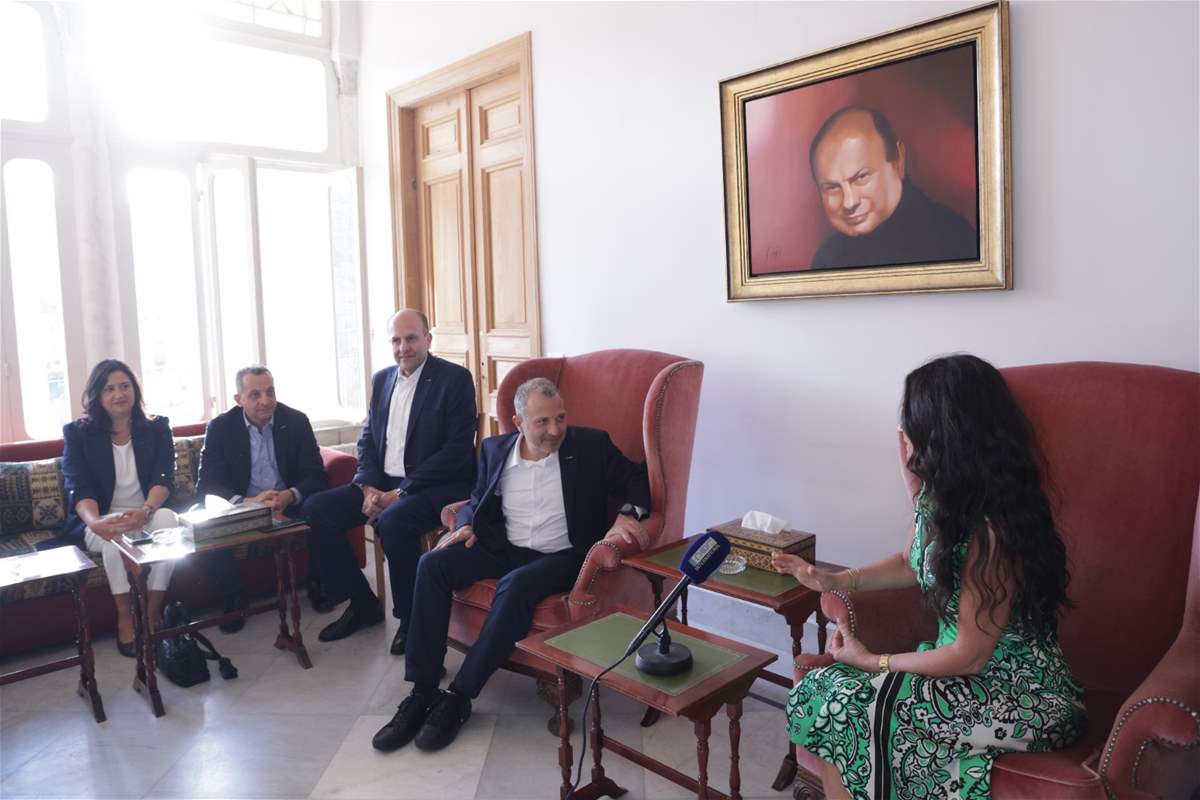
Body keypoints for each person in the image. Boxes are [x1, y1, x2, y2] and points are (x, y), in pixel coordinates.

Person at [774, 354, 1086, 799]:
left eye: (914, 424)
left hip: (1019, 694)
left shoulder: (991, 531)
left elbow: (968, 656)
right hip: (960, 677)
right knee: (825, 691)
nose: (906, 435)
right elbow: (910, 562)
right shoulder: (939, 498)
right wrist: (836, 580)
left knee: (844, 703)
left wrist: (872, 661)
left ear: (946, 435)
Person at [371, 377, 651, 754]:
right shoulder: (494, 449)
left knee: (516, 585)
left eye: (560, 418)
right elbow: (477, 498)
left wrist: (628, 513)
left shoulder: (590, 445)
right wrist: (466, 522)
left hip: (562, 555)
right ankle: (422, 692)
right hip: (503, 547)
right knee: (431, 565)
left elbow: (637, 476)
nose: (555, 430)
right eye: (542, 422)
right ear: (519, 423)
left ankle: (459, 697)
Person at [302, 309, 476, 651]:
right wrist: (367, 486)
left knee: (394, 521)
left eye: (411, 338)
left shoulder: (454, 379)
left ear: (427, 339)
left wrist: (401, 491)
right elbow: (368, 438)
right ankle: (362, 603)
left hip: (436, 485)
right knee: (317, 509)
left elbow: (456, 451)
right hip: (382, 484)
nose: (403, 347)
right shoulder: (382, 379)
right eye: (396, 340)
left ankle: (411, 620)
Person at [196, 365, 329, 633]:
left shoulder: (296, 421)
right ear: (239, 399)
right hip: (243, 505)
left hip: (287, 502)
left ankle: (319, 582)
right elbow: (207, 484)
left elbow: (316, 475)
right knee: (207, 522)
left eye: (270, 392)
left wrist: (289, 495)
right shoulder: (220, 428)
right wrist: (249, 501)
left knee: (322, 508)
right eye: (255, 394)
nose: (265, 401)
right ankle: (233, 598)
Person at [59, 359, 178, 657]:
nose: (118, 394)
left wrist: (146, 510)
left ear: (134, 390)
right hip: (100, 518)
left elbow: (165, 477)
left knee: (169, 522)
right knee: (115, 538)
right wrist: (95, 522)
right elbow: (78, 486)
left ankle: (152, 612)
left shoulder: (157, 427)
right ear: (97, 395)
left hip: (146, 512)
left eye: (125, 386)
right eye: (109, 389)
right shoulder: (78, 434)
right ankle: (125, 616)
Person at [808, 107, 978, 270]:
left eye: (861, 177)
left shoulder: (952, 238)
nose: (849, 202)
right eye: (832, 187)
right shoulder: (826, 259)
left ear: (898, 162)